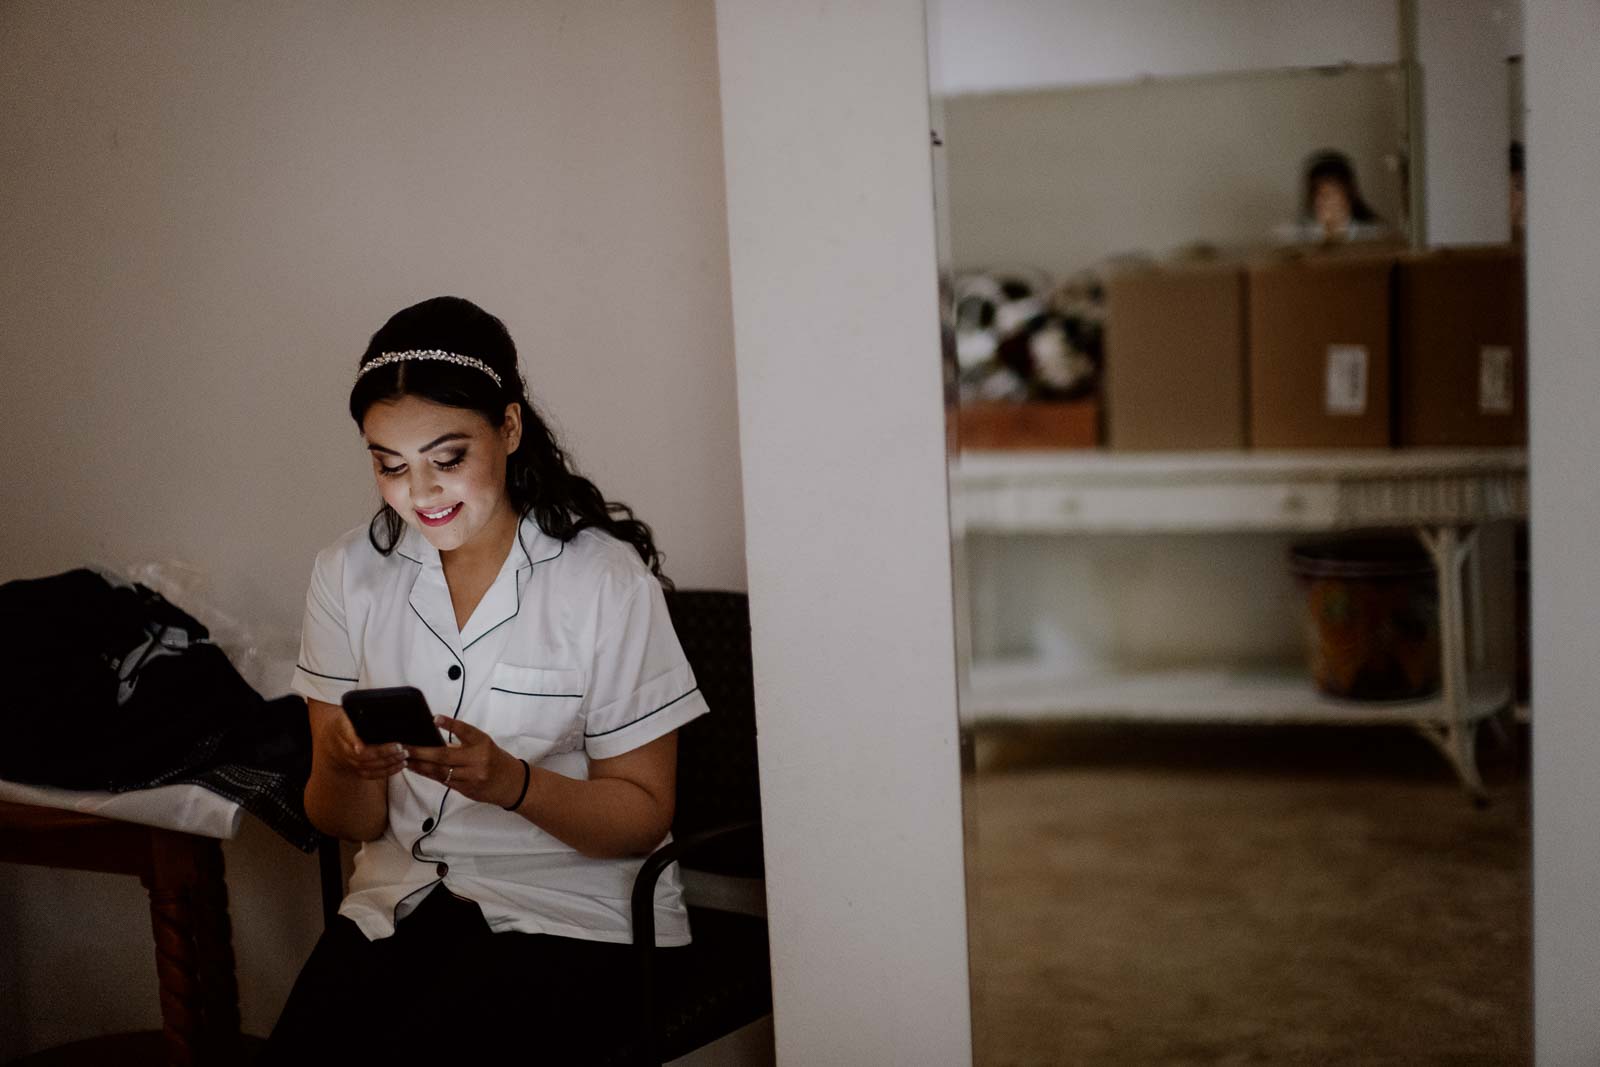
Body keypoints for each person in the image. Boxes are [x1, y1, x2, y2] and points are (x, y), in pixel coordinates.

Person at [264, 295, 709, 1062]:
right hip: (399, 901)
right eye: (389, 465)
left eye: (447, 457)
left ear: (508, 428)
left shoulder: (603, 581)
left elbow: (641, 814)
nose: (422, 493)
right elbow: (351, 820)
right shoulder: (346, 575)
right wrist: (341, 764)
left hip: (573, 914)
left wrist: (511, 782)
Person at [1275, 148, 1391, 244]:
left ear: (1348, 193)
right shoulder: (1293, 236)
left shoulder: (1375, 235)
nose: (1321, 200)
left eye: (1329, 194)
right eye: (1316, 193)